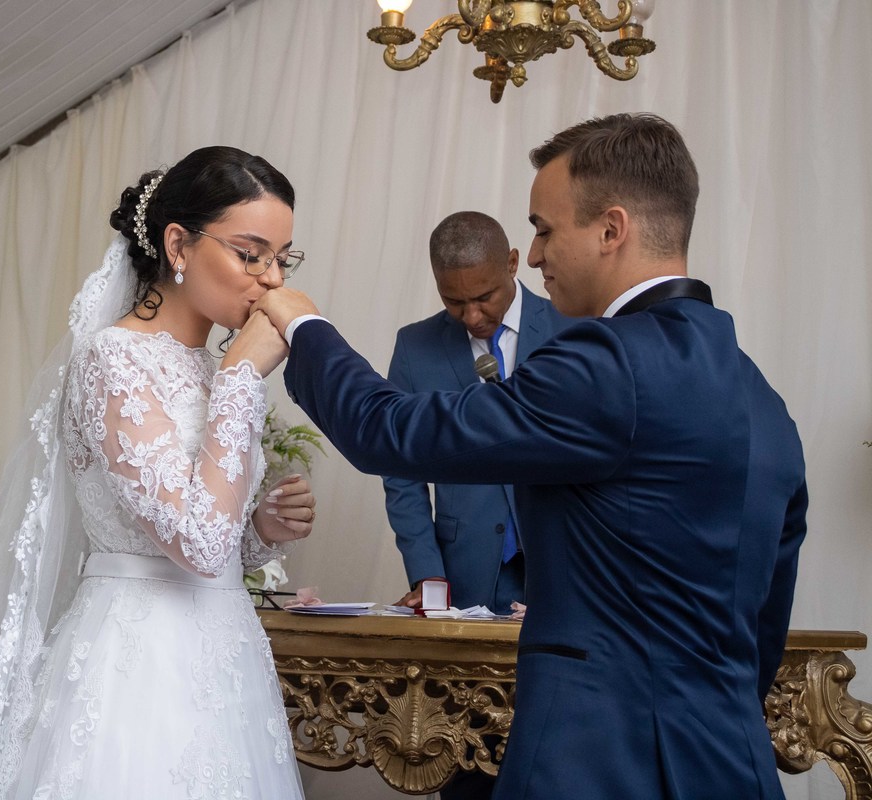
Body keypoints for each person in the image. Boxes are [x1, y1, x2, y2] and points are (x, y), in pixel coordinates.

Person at [254, 113, 807, 799]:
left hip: (597, 766)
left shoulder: (605, 363)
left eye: (544, 229)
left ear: (611, 229)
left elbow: (389, 432)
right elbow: (763, 627)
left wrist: (302, 324)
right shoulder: (765, 402)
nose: (537, 255)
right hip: (734, 765)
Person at [0, 146, 315, 799]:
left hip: (224, 657)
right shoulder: (113, 361)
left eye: (282, 259)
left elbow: (213, 540)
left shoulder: (213, 370)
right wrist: (242, 375)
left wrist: (260, 528)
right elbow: (196, 545)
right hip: (137, 665)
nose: (271, 281)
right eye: (250, 254)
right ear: (177, 245)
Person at [385, 211, 571, 621]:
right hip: (462, 575)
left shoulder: (573, 328)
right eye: (454, 302)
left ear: (512, 263)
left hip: (566, 572)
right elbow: (401, 473)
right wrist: (427, 576)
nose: (471, 317)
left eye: (485, 297)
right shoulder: (414, 348)